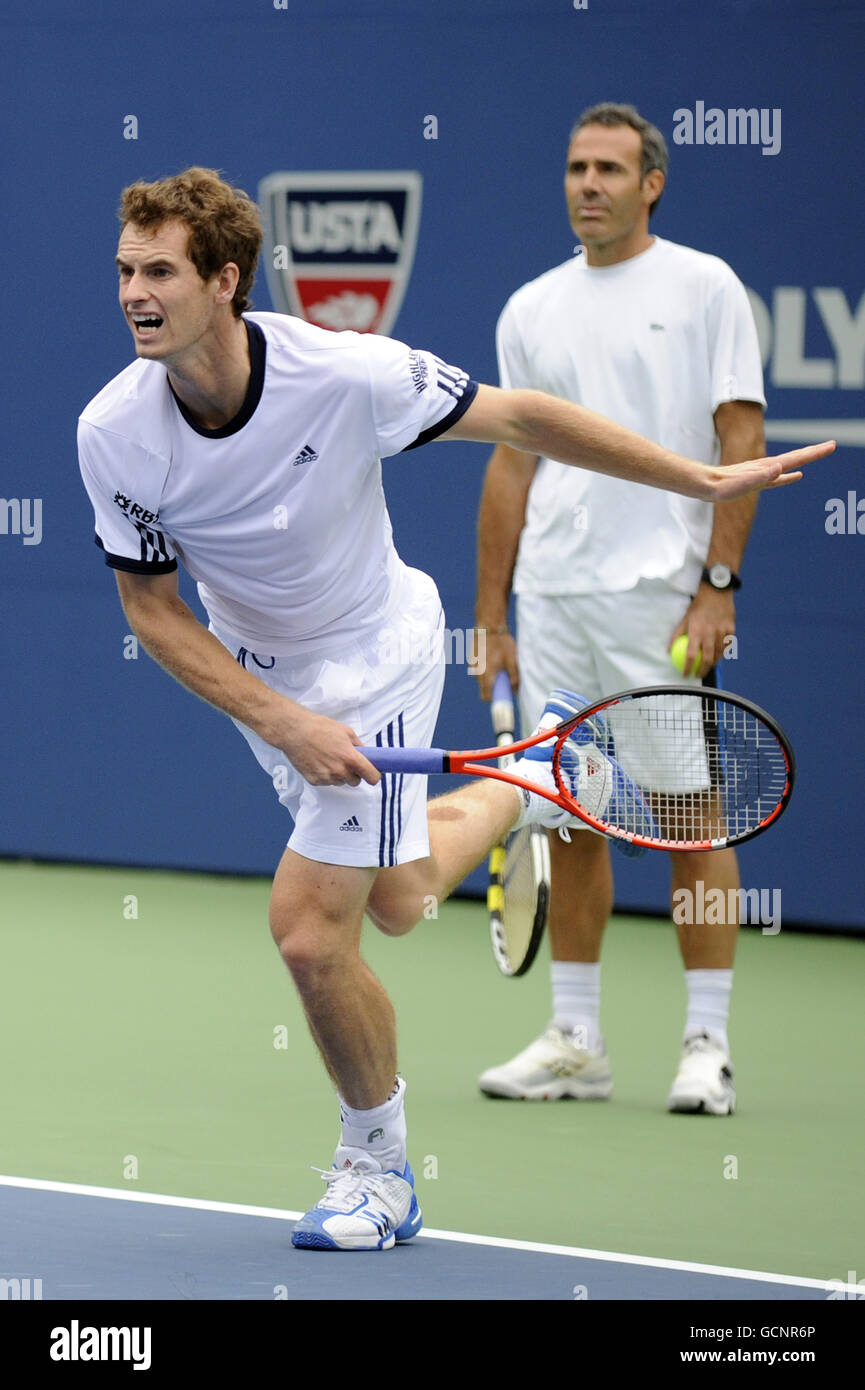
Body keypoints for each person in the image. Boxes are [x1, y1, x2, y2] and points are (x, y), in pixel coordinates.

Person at [78, 168, 827, 1252]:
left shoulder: (344, 374)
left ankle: (377, 1169)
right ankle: (551, 783)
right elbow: (151, 613)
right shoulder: (114, 432)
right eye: (123, 272)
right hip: (267, 683)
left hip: (377, 650)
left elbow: (518, 415)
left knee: (306, 930)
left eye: (158, 272)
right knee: (400, 896)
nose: (133, 293)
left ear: (224, 281)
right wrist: (284, 720)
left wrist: (699, 482)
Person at [474, 103, 771, 1115]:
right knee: (567, 814)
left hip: (658, 600)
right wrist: (492, 615)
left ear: (652, 182)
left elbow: (740, 442)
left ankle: (705, 1045)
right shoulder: (529, 308)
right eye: (573, 167)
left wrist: (717, 584)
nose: (586, 183)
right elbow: (512, 464)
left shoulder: (704, 287)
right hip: (552, 596)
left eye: (608, 168)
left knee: (691, 818)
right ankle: (576, 1039)